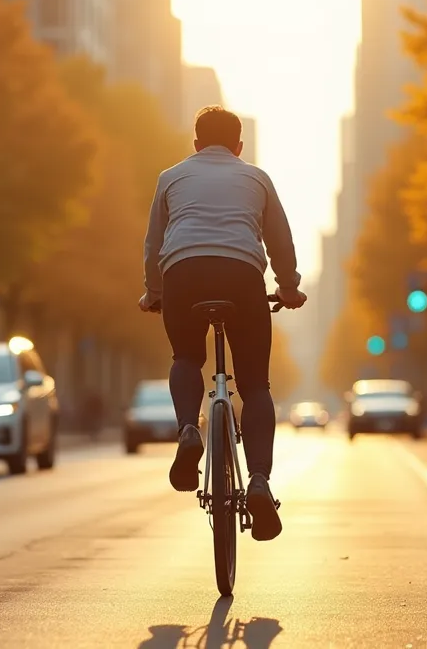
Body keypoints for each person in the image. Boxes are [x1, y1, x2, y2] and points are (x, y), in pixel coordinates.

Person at [138, 105, 306, 542]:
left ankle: (188, 430)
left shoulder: (170, 177)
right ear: (239, 146)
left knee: (186, 357)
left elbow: (154, 243)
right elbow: (280, 239)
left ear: (195, 143)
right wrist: (288, 287)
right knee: (255, 386)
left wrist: (154, 292)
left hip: (183, 273)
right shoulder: (257, 178)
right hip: (242, 276)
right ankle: (259, 480)